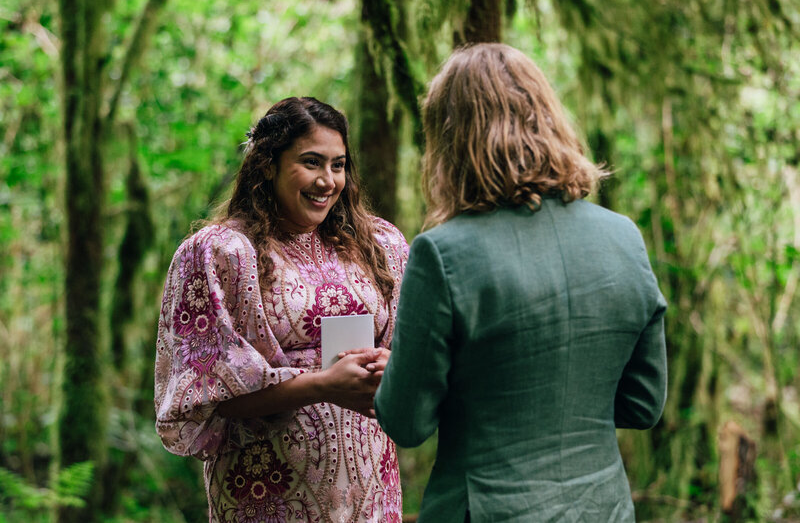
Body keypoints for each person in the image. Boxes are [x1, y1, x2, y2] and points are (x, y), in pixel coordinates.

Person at [374, 43, 668, 522]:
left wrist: (393, 374)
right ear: (550, 120)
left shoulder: (441, 253)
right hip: (603, 509)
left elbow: (407, 422)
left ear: (449, 139)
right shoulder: (624, 238)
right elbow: (642, 405)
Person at [155, 97, 408, 523]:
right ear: (268, 164)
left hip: (371, 487)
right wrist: (321, 385)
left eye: (339, 165)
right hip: (266, 492)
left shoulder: (380, 244)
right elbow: (205, 396)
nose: (327, 180)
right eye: (311, 162)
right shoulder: (221, 253)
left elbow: (410, 352)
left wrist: (392, 366)